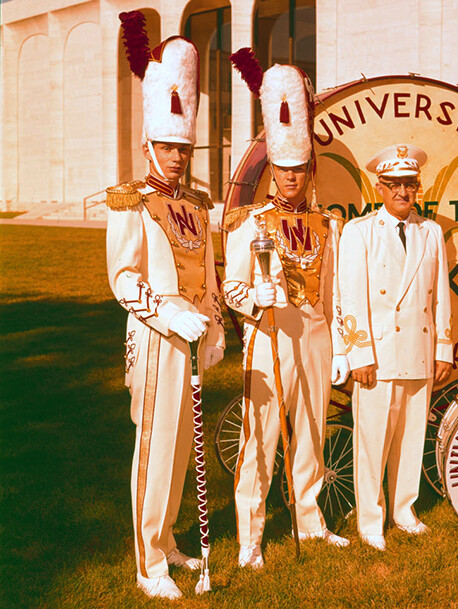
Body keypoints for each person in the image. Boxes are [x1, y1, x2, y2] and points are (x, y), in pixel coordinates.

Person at [106, 24, 225, 601]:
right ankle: (147, 562)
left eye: (185, 148)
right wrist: (166, 314)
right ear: (151, 144)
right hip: (157, 339)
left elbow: (212, 271)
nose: (178, 158)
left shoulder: (197, 205)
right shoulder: (132, 200)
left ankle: (169, 535)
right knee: (153, 450)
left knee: (183, 449)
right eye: (169, 147)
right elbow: (122, 278)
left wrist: (216, 326)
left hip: (196, 338)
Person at [223, 63, 350, 569]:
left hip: (316, 339)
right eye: (283, 169)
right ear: (272, 169)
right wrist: (257, 296)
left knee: (312, 435)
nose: (291, 178)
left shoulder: (328, 225)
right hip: (269, 337)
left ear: (309, 171)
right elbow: (230, 288)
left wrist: (341, 347)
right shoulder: (249, 222)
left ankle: (310, 519)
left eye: (300, 169)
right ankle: (250, 537)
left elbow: (335, 294)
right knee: (261, 439)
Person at [338, 144, 453, 551]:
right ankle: (371, 519)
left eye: (410, 184)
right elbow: (349, 299)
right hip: (379, 356)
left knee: (410, 436)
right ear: (379, 188)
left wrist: (443, 348)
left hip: (419, 350)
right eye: (394, 185)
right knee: (372, 440)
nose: (402, 192)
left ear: (417, 188)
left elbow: (440, 295)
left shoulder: (431, 231)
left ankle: (404, 510)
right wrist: (359, 355)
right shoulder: (359, 232)